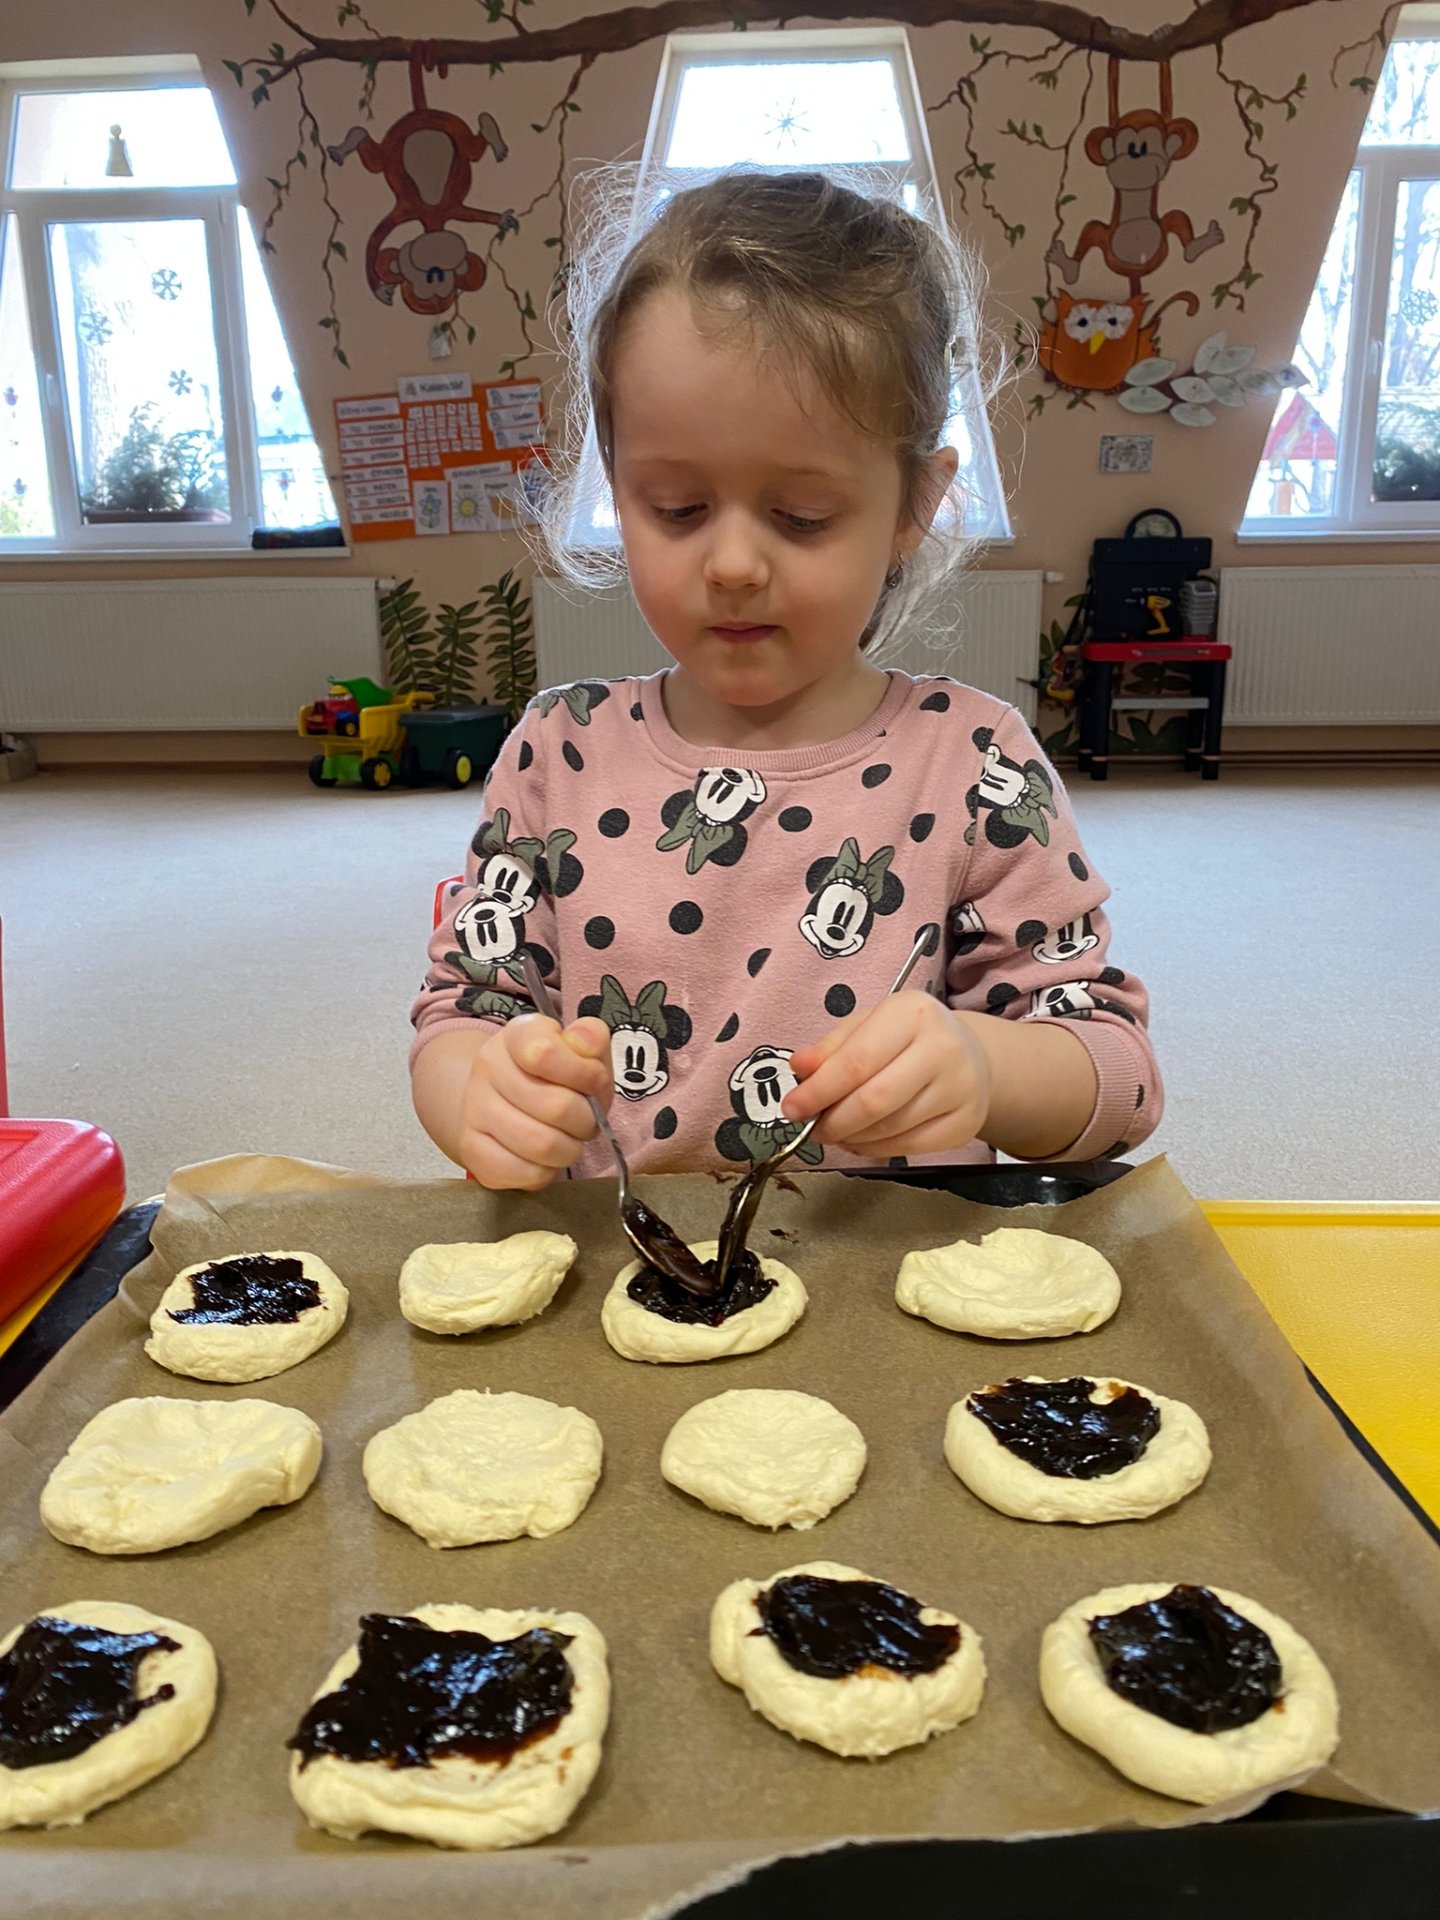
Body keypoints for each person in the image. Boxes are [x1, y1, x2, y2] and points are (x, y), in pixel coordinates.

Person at [411, 169, 1161, 1191]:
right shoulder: (558, 751)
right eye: (676, 508)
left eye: (802, 517)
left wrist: (989, 1068)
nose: (731, 564)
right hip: (621, 1273)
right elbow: (464, 1011)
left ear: (914, 506)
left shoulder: (975, 763)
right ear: (616, 488)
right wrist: (476, 1091)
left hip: (889, 1275)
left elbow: (1117, 1078)